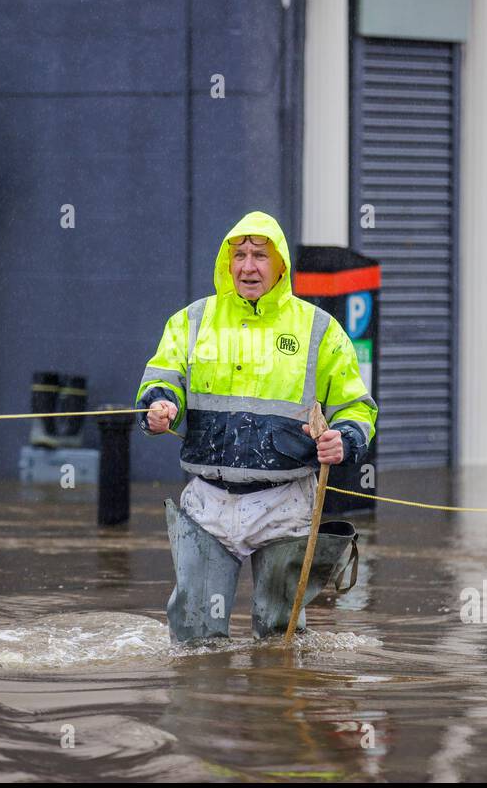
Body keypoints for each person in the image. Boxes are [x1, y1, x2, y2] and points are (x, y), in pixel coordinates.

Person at [135, 210, 377, 642]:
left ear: (281, 265)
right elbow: (162, 377)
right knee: (195, 637)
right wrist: (159, 406)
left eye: (260, 256)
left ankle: (274, 704)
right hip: (208, 503)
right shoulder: (192, 321)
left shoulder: (319, 330)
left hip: (284, 504)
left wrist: (346, 439)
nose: (248, 266)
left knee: (279, 638)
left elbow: (356, 406)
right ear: (226, 264)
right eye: (240, 255)